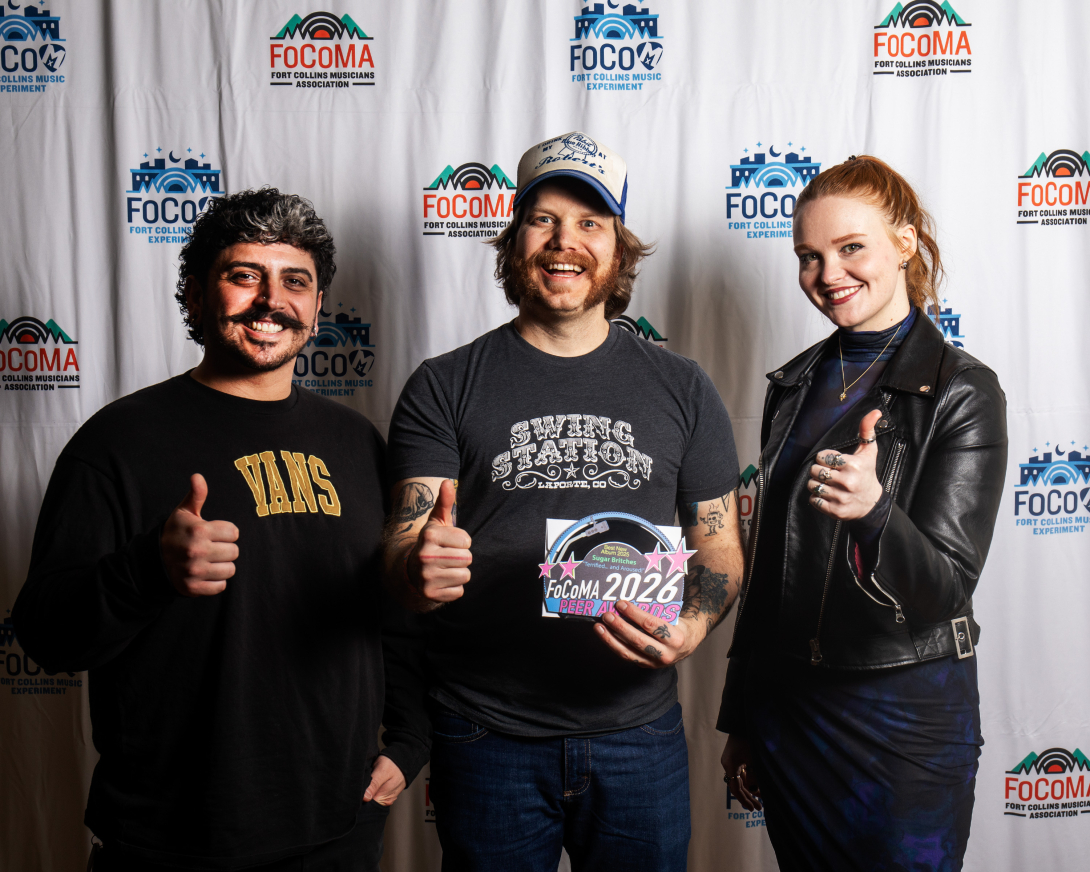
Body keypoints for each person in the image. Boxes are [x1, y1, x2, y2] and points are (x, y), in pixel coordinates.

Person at [13, 189, 428, 872]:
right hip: (174, 838)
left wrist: (410, 737)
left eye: (295, 281)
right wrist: (148, 571)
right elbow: (45, 632)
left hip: (338, 827)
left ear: (318, 307)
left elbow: (392, 616)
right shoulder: (118, 442)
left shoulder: (358, 444)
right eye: (244, 276)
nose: (272, 299)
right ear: (198, 297)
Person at [383, 131, 746, 872]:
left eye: (590, 223)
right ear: (515, 239)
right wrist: (416, 568)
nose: (564, 242)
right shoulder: (443, 385)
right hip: (486, 734)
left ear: (620, 248)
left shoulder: (683, 388)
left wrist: (694, 625)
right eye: (543, 219)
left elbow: (719, 551)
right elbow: (400, 548)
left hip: (637, 735)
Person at [718, 156, 1007, 871]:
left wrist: (876, 514)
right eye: (808, 257)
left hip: (902, 713)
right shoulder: (795, 382)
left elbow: (945, 587)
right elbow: (769, 575)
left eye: (851, 248)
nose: (828, 274)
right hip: (790, 710)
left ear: (904, 243)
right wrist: (743, 716)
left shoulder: (964, 391)